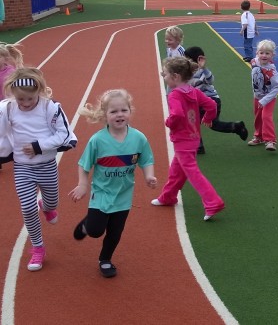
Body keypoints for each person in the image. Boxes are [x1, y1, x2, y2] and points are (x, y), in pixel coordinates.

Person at [69, 89, 156, 278]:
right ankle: (86, 226)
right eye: (114, 111)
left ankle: (105, 259)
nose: (119, 115)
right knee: (95, 231)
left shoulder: (138, 138)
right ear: (105, 115)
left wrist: (149, 176)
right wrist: (83, 184)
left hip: (124, 195)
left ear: (130, 111)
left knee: (115, 233)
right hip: (101, 193)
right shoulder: (98, 140)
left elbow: (147, 159)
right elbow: (84, 165)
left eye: (124, 110)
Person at [0, 67, 77, 272]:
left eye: (29, 99)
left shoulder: (49, 108)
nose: (25, 104)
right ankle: (38, 247)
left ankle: (48, 206)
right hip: (22, 167)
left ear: (40, 91)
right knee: (27, 207)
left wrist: (38, 146)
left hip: (47, 165)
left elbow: (64, 134)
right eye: (20, 100)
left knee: (52, 202)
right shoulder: (7, 108)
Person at [152, 57, 225, 221]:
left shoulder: (174, 95)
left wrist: (169, 122)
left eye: (166, 75)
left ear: (175, 77)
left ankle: (213, 202)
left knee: (192, 173)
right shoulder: (194, 91)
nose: (164, 77)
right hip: (193, 137)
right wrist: (208, 118)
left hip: (182, 140)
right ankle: (168, 196)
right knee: (177, 171)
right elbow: (211, 105)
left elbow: (176, 114)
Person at [184, 46, 248, 154]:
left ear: (197, 60)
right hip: (206, 102)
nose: (185, 61)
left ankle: (198, 146)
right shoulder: (187, 73)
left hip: (210, 101)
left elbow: (210, 79)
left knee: (192, 121)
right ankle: (236, 127)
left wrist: (204, 68)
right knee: (214, 124)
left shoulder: (201, 72)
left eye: (188, 59)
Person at [248, 39, 278, 151]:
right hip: (257, 96)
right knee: (258, 117)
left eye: (267, 53)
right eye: (261, 52)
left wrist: (265, 100)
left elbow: (277, 87)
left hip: (269, 98)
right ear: (257, 53)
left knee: (266, 117)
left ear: (272, 55)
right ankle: (259, 137)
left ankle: (270, 140)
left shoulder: (272, 71)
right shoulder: (254, 61)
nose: (264, 55)